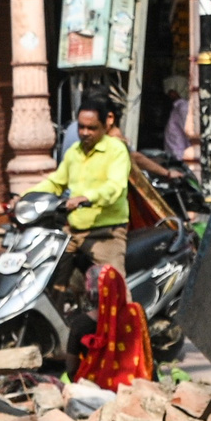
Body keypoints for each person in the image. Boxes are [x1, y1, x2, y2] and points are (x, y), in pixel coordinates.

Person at [36, 103, 134, 292]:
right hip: (71, 232)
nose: (85, 132)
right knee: (46, 281)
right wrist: (26, 198)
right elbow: (56, 182)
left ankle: (124, 321)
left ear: (105, 126)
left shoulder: (117, 151)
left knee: (115, 292)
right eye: (81, 127)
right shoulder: (74, 152)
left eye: (92, 128)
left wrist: (86, 197)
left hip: (105, 233)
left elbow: (115, 187)